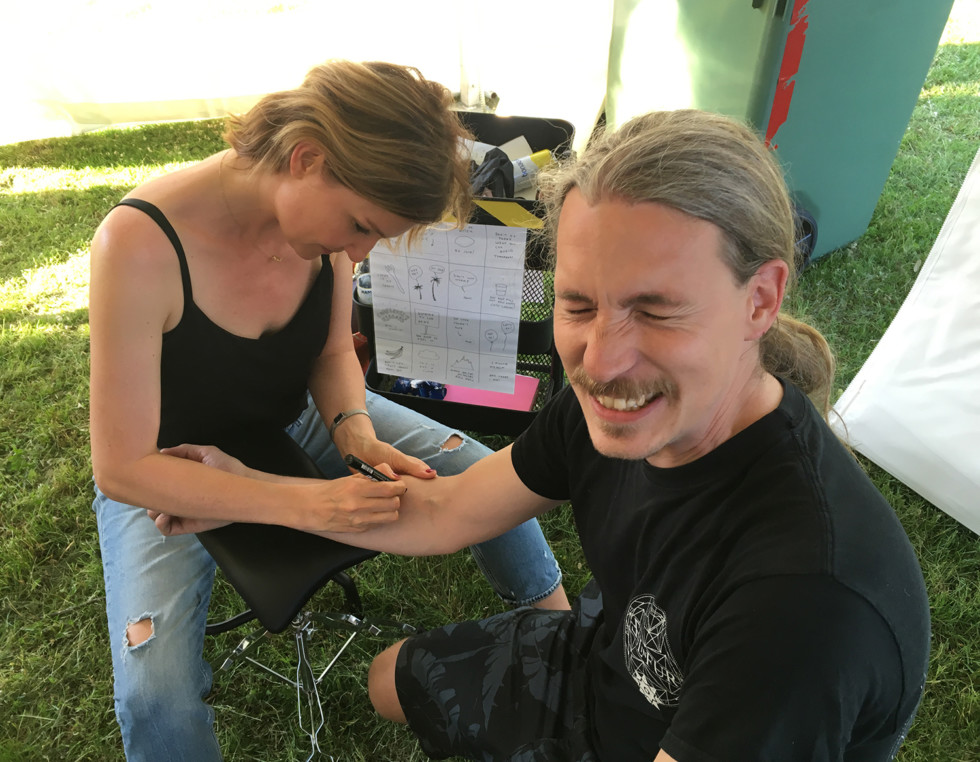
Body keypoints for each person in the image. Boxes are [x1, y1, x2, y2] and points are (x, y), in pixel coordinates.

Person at [155, 109, 931, 761]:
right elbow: (451, 511)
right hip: (608, 658)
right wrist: (252, 496)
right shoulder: (614, 404)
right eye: (581, 305)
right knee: (386, 680)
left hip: (698, 718)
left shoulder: (800, 609)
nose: (600, 361)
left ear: (760, 300)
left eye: (655, 309)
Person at [88, 59, 568, 761]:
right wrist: (308, 503)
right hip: (167, 462)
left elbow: (332, 355)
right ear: (308, 157)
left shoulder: (324, 231)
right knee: (152, 693)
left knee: (481, 469)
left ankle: (556, 633)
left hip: (297, 415)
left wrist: (354, 431)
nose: (361, 252)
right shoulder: (139, 246)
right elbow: (122, 468)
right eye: (361, 226)